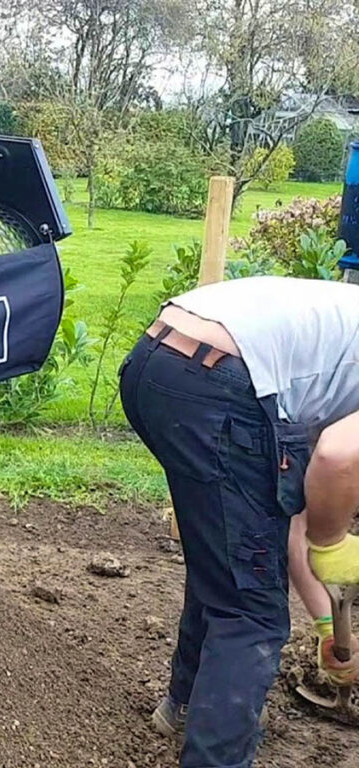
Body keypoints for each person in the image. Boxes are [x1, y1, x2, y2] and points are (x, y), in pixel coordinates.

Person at [119, 275, 359, 768]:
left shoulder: (329, 370)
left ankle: (189, 707)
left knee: (228, 559)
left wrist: (327, 626)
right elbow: (336, 460)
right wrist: (332, 541)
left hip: (156, 362)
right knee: (250, 611)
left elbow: (287, 519)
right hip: (218, 384)